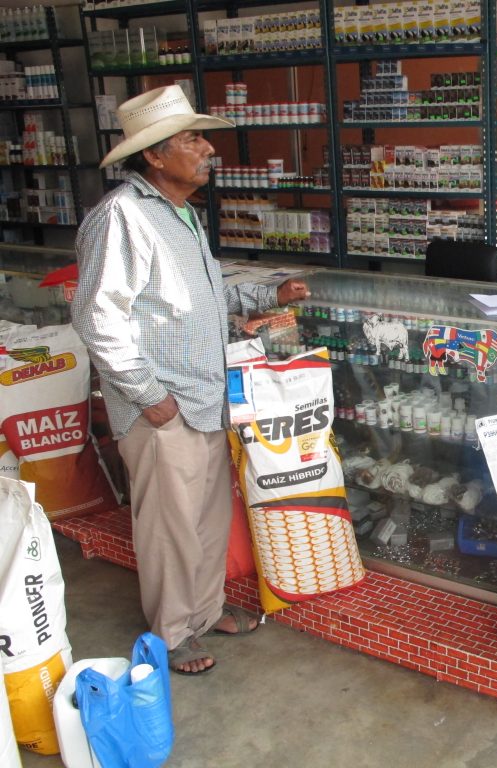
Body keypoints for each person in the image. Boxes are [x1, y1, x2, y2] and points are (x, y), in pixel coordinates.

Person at [71, 85, 310, 676]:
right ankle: (171, 634)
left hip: (202, 396)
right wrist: (150, 398)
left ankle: (205, 612)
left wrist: (266, 294)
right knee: (169, 528)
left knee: (206, 519)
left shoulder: (179, 214)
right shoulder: (122, 217)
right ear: (153, 155)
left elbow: (200, 296)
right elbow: (96, 315)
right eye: (192, 139)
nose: (207, 149)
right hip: (163, 406)